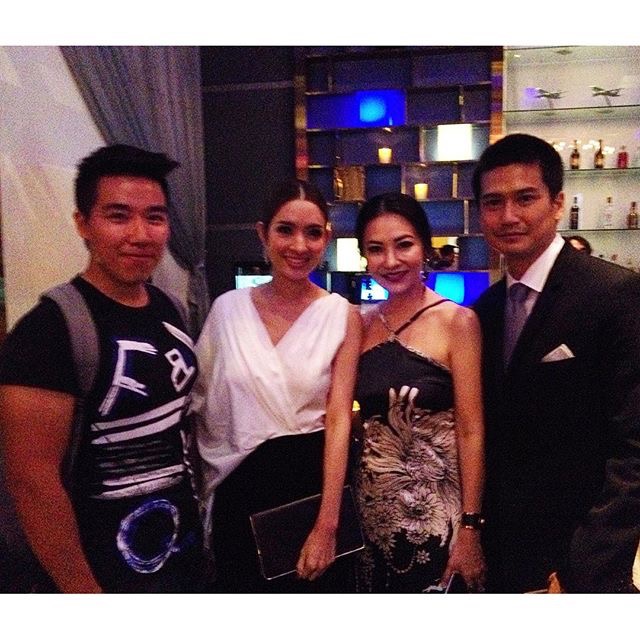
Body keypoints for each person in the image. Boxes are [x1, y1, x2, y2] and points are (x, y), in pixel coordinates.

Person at [0, 144, 207, 593]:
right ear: (83, 224)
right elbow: (32, 482)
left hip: (183, 562)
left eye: (155, 217)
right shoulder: (48, 331)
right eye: (118, 216)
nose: (140, 234)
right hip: (101, 578)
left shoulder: (170, 309)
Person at [472, 133, 640, 593]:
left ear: (557, 203)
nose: (509, 216)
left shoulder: (613, 294)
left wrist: (584, 566)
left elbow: (633, 448)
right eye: (493, 202)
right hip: (503, 555)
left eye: (525, 198)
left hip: (581, 562)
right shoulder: (484, 310)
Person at [192, 178, 362, 592]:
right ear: (262, 234)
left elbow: (339, 419)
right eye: (285, 230)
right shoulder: (227, 310)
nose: (299, 245)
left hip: (310, 487)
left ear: (326, 238)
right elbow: (200, 405)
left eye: (313, 233)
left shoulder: (341, 314)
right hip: (239, 485)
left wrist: (328, 523)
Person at [352, 192, 486, 593]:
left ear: (425, 247)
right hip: (370, 514)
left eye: (403, 245)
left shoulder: (457, 322)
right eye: (376, 249)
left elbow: (471, 430)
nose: (390, 261)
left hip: (438, 517)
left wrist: (471, 527)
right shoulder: (360, 324)